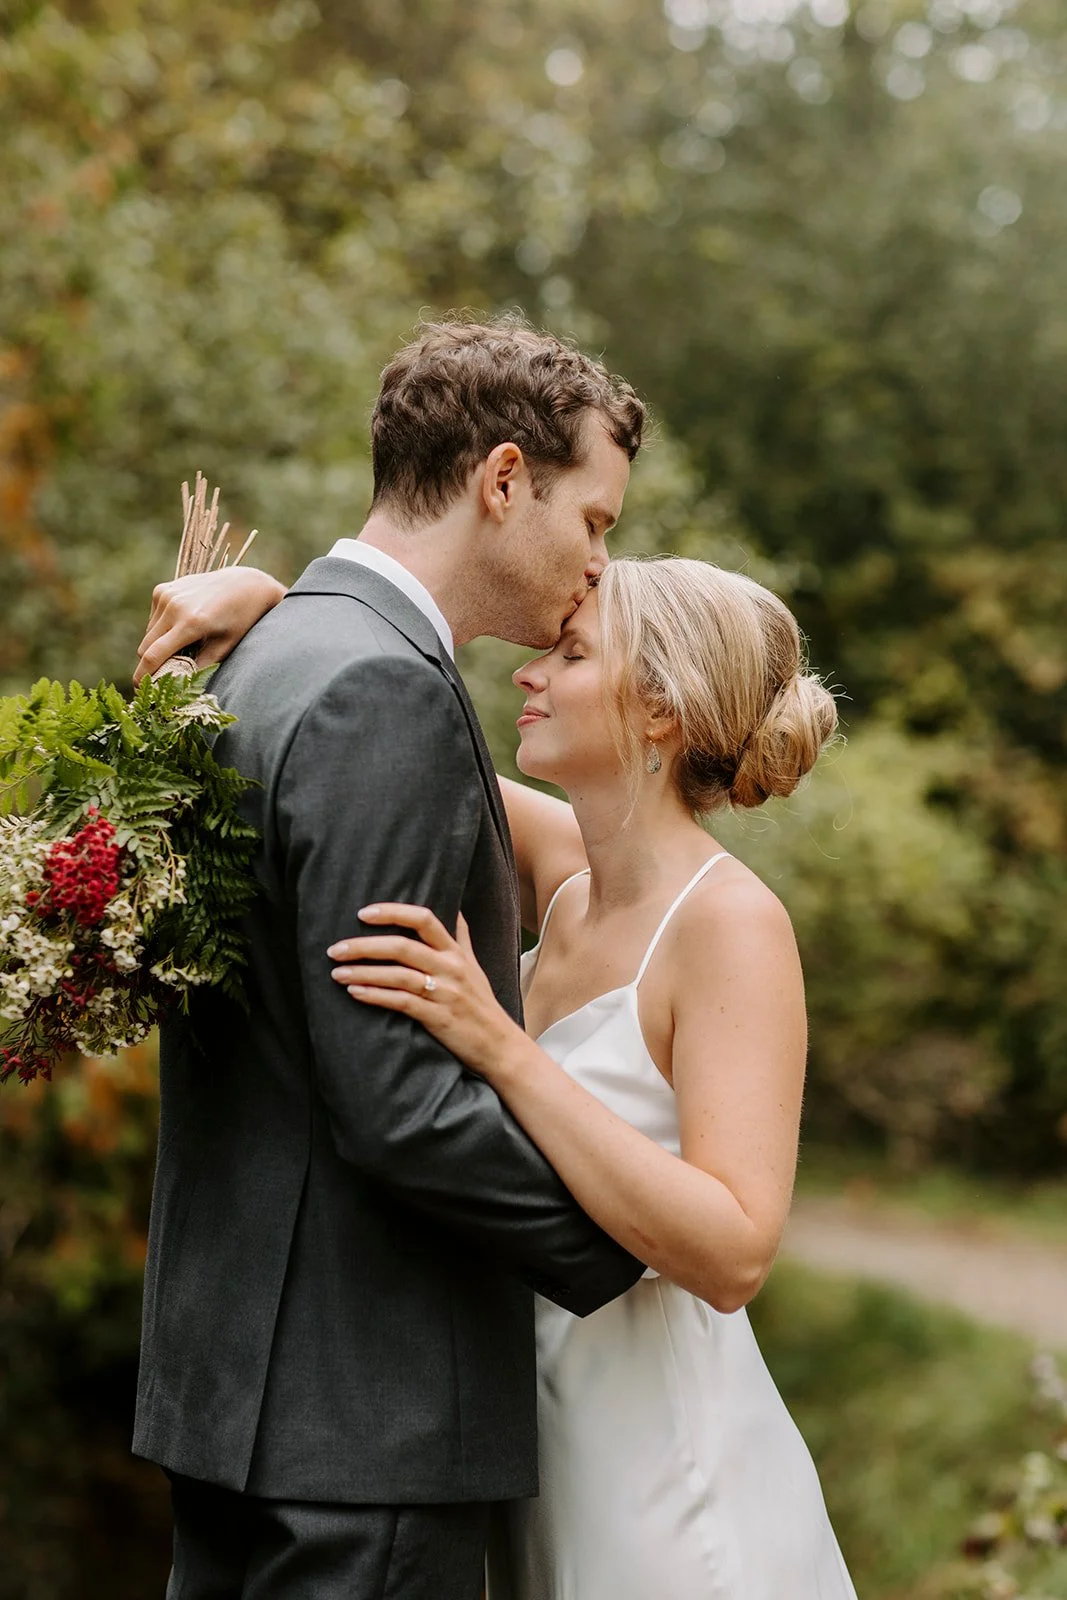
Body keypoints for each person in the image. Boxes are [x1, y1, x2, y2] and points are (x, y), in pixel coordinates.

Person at [141, 538, 858, 1596]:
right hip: (524, 1440)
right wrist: (283, 607)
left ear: (657, 710)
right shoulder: (568, 872)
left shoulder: (731, 926)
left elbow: (734, 1249)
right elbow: (364, 730)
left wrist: (502, 1051)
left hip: (658, 1468)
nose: (527, 671)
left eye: (568, 655)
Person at [132, 316, 648, 1600]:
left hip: (237, 1393)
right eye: (593, 520)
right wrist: (618, 1249)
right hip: (364, 1415)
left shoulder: (258, 658)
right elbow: (401, 1104)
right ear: (503, 481)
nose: (597, 563)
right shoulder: (383, 690)